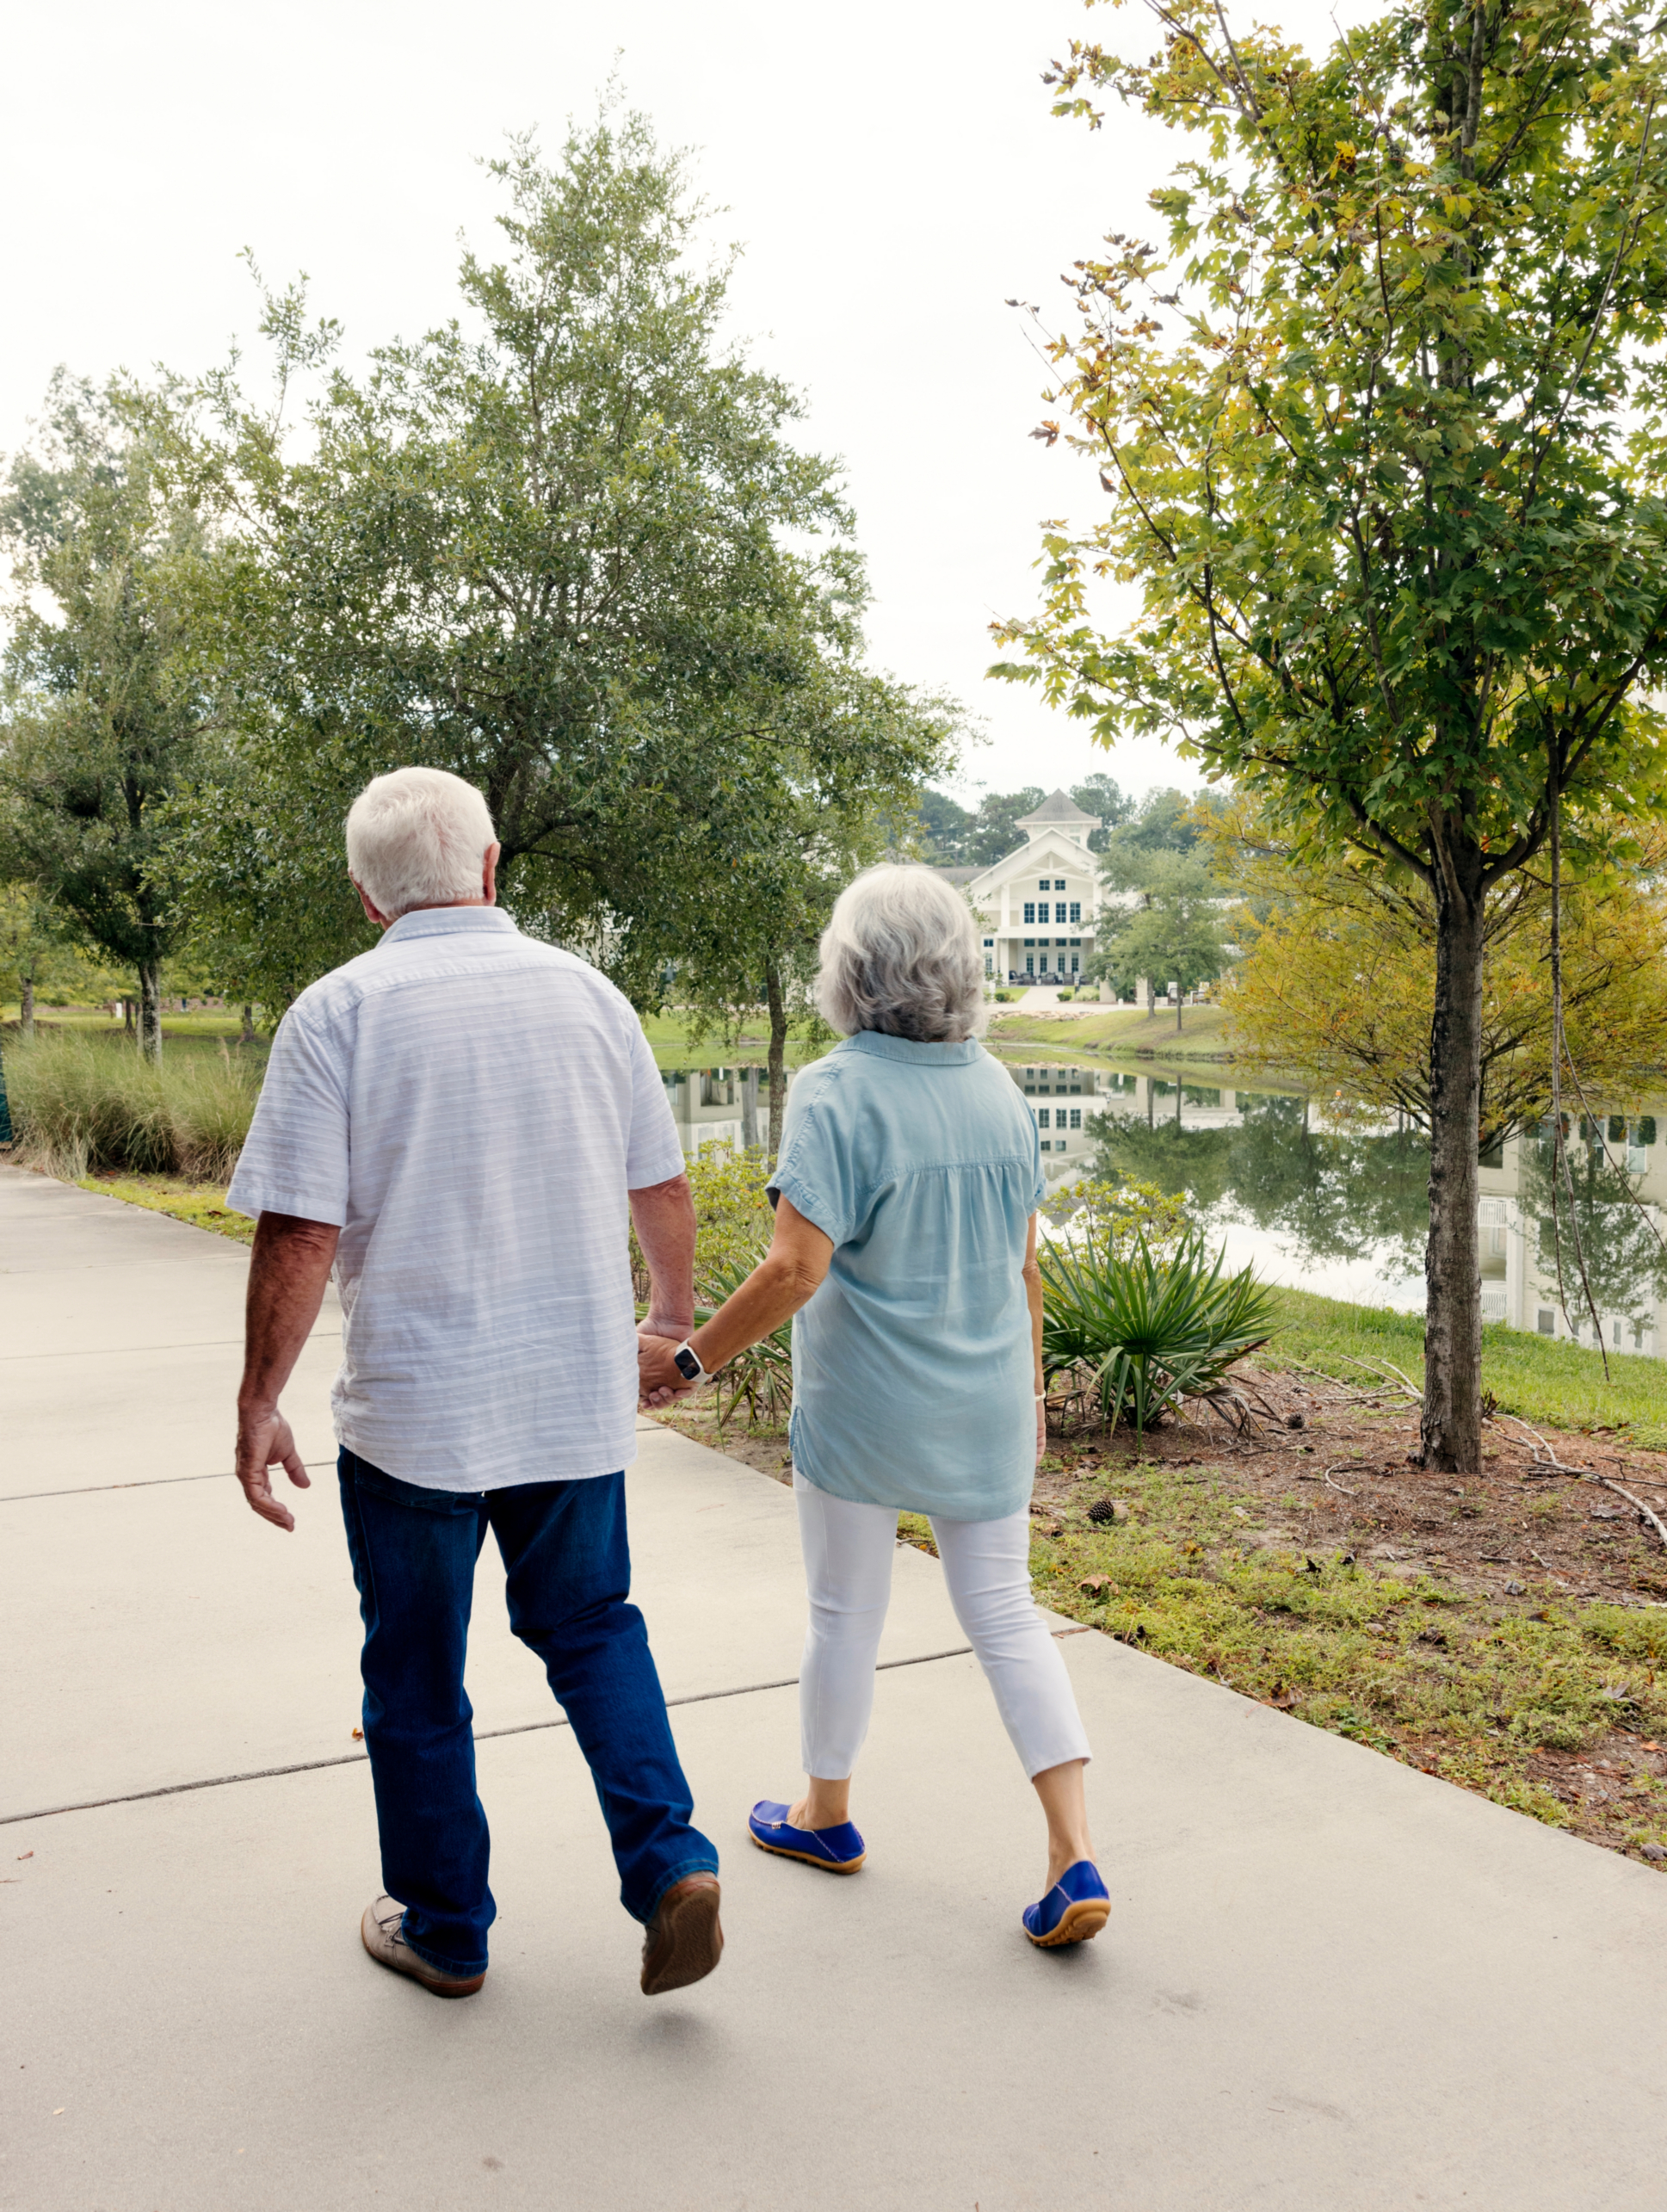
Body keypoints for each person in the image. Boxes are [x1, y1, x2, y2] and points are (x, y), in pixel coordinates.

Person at [226, 765, 722, 2001]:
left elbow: (300, 1230)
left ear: (364, 896)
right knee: (592, 1625)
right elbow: (659, 1182)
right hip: (570, 1396)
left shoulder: (337, 1013)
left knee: (413, 1670)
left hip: (415, 1413)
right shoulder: (588, 995)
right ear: (491, 865)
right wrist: (666, 1318)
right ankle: (670, 1862)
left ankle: (446, 1927)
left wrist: (258, 1397)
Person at [638, 863, 1108, 1948]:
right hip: (985, 1398)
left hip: (864, 1408)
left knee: (845, 1611)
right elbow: (1023, 1265)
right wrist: (1028, 1395)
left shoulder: (837, 1088)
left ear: (849, 970)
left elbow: (796, 1268)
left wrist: (690, 1362)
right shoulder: (998, 1086)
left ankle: (825, 1815)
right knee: (1005, 1614)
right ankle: (1071, 1849)